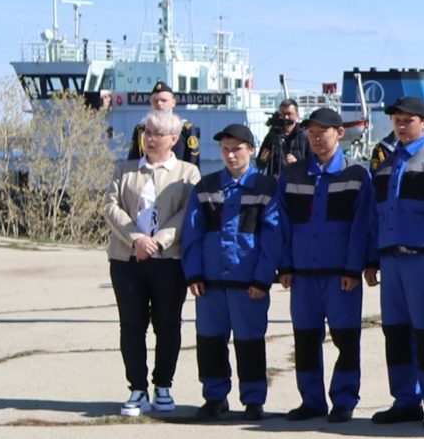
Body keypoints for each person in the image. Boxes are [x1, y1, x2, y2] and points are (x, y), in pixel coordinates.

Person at [271, 106, 376, 422]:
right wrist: (285, 266)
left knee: (346, 340)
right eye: (311, 133)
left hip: (340, 276)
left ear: (339, 133)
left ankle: (344, 400)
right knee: (305, 340)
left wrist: (353, 267)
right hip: (303, 276)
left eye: (323, 132)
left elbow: (363, 225)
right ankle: (312, 401)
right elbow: (281, 223)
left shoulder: (357, 176)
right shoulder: (292, 175)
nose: (316, 138)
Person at [364, 97, 424, 426]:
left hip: (423, 259)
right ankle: (405, 399)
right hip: (391, 260)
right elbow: (375, 216)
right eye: (397, 120)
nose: (402, 125)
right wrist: (371, 259)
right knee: (395, 333)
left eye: (409, 120)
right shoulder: (387, 164)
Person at [180, 121, 283, 420]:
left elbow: (273, 236)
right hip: (210, 283)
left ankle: (253, 400)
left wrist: (263, 278)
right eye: (225, 150)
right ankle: (215, 397)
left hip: (248, 283)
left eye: (237, 149)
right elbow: (192, 233)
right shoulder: (206, 186)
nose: (230, 155)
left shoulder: (266, 188)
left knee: (249, 342)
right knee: (210, 342)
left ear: (251, 150)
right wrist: (194, 274)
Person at [103, 110, 200, 416]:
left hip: (168, 261)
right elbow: (110, 207)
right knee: (132, 325)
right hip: (127, 260)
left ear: (173, 139)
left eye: (157, 133)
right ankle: (137, 388)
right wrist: (137, 239)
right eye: (147, 132)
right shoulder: (125, 169)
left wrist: (158, 241)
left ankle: (163, 386)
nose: (150, 138)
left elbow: (186, 213)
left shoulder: (187, 173)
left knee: (168, 324)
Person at [127, 82, 204, 169]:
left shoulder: (185, 128)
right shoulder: (141, 129)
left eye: (164, 100)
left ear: (173, 102)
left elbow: (193, 161)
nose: (159, 104)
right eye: (155, 101)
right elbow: (133, 160)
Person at [258, 100, 307, 179]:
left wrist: (297, 163)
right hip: (275, 183)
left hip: (296, 182)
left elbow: (314, 163)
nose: (286, 117)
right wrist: (263, 159)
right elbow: (259, 163)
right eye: (283, 114)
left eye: (289, 114)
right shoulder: (273, 135)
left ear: (297, 115)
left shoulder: (304, 136)